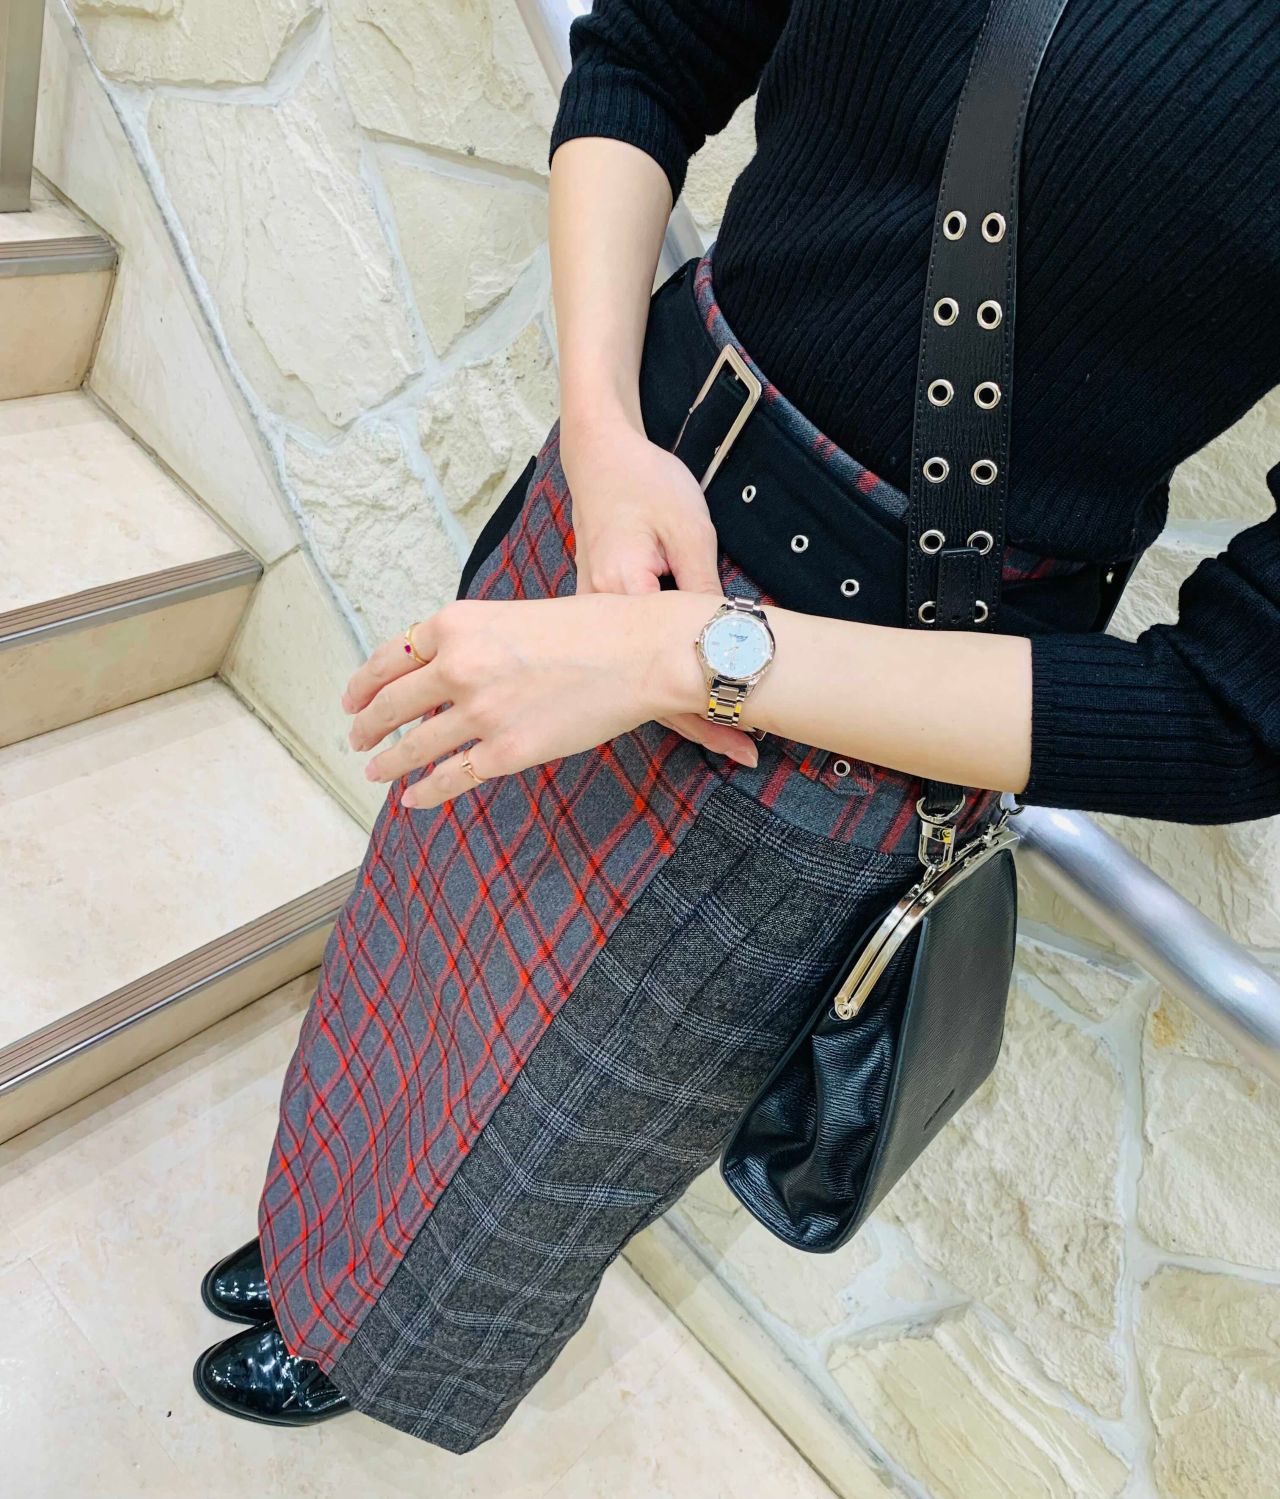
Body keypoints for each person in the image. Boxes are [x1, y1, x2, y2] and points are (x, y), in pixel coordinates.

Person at [191, 0, 1280, 1444]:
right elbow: (650, 52)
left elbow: (1239, 708)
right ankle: (323, 1238)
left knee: (569, 1118)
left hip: (851, 707)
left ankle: (370, 1336)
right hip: (623, 503)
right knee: (421, 934)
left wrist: (685, 657)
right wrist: (599, 429)